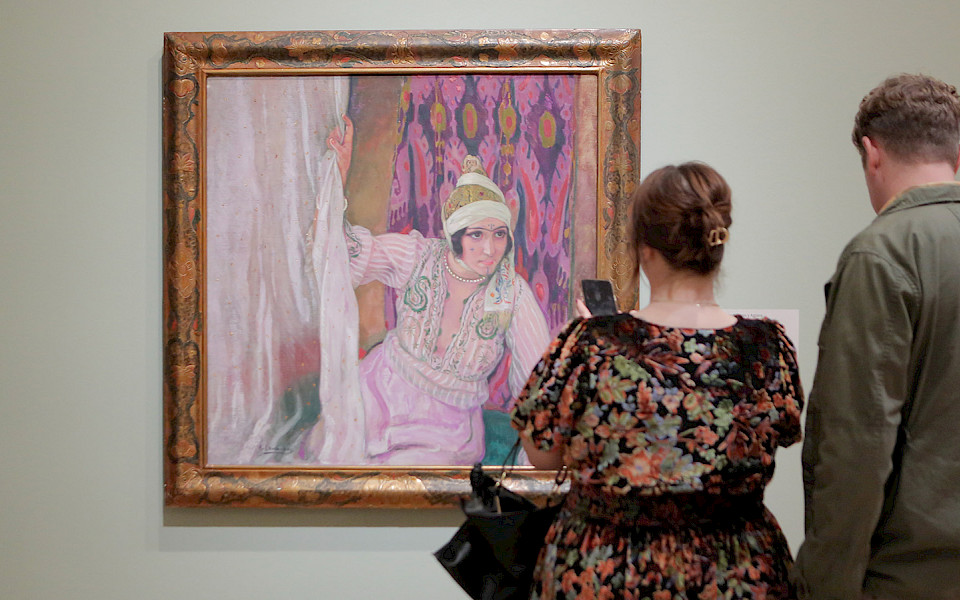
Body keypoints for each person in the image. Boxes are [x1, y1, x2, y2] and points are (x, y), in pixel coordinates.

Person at [511, 162, 804, 599]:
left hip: (605, 571)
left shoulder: (590, 344)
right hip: (735, 574)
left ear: (644, 249)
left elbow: (542, 456)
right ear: (717, 242)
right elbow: (783, 435)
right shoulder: (766, 347)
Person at [792, 74, 960, 600]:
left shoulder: (883, 254)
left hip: (909, 577)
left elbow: (857, 442)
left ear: (872, 153)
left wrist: (825, 585)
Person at [324, 116, 550, 465]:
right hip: (376, 395)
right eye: (477, 234)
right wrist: (335, 183)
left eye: (499, 234)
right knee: (333, 460)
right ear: (455, 235)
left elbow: (540, 379)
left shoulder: (512, 294)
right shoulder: (418, 256)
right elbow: (342, 253)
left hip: (447, 431)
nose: (490, 249)